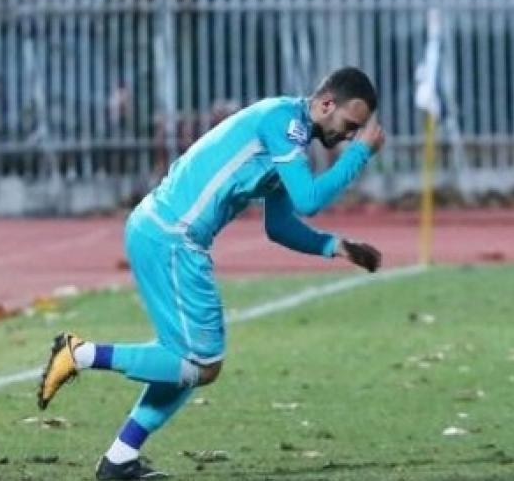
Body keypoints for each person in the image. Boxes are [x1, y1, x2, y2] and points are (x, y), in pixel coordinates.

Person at [36, 67, 386, 479]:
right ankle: (79, 354)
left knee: (188, 363)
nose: (349, 135)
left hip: (160, 231)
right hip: (174, 237)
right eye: (350, 125)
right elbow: (309, 200)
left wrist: (337, 247)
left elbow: (279, 226)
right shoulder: (284, 124)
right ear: (327, 104)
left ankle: (119, 458)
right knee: (201, 364)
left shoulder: (288, 139)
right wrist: (360, 155)